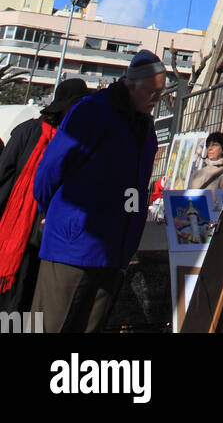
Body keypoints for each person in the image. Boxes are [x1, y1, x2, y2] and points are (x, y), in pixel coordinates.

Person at [31, 49, 166, 333]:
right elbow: (49, 170)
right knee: (51, 326)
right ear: (131, 84)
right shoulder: (92, 110)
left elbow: (135, 189)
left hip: (114, 252)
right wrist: (54, 214)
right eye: (152, 92)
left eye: (161, 93)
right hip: (73, 246)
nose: (157, 99)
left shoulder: (145, 129)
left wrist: (131, 228)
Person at [0, 79, 88, 313]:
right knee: (11, 300)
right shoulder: (28, 132)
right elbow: (4, 174)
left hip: (45, 237)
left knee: (28, 303)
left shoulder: (74, 142)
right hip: (14, 232)